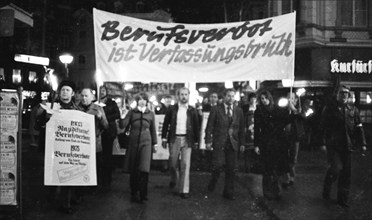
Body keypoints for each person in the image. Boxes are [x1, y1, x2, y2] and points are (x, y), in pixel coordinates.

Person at [35, 80, 82, 213]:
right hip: (51, 147)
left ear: (72, 93)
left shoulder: (77, 110)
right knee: (51, 174)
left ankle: (65, 204)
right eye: (62, 90)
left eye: (67, 90)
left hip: (68, 149)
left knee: (66, 176)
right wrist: (46, 117)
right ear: (59, 92)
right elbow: (37, 125)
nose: (64, 92)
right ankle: (50, 199)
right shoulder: (49, 107)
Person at [320, 85, 367, 207]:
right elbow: (323, 127)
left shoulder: (353, 110)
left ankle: (342, 199)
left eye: (346, 93)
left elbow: (359, 128)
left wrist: (363, 143)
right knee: (336, 169)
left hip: (347, 145)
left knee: (346, 174)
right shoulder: (329, 109)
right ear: (337, 95)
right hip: (333, 145)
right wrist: (323, 143)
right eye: (342, 93)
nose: (344, 95)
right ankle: (327, 186)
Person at [254, 90, 296, 200]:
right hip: (266, 142)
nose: (264, 100)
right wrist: (256, 144)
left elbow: (288, 119)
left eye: (265, 98)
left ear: (270, 98)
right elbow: (256, 129)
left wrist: (293, 110)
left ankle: (276, 190)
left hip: (278, 142)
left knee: (277, 168)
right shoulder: (259, 111)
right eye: (262, 99)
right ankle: (267, 192)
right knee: (268, 168)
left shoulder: (277, 109)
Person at [205, 88, 246, 200]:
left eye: (233, 96)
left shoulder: (239, 111)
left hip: (232, 144)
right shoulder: (216, 109)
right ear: (224, 97)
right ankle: (213, 181)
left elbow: (242, 129)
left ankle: (228, 192)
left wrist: (242, 143)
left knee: (231, 169)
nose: (231, 98)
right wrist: (208, 141)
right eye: (228, 96)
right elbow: (209, 127)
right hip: (219, 143)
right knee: (217, 166)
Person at [161, 87, 200, 199]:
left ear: (188, 96)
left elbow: (196, 127)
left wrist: (196, 141)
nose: (183, 96)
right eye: (181, 94)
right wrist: (164, 138)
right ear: (178, 96)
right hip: (174, 138)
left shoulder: (192, 110)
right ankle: (174, 179)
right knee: (173, 164)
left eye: (185, 94)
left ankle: (184, 190)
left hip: (187, 139)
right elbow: (165, 124)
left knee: (185, 164)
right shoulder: (172, 109)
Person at [119, 92, 158, 203]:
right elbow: (123, 125)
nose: (142, 101)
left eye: (144, 99)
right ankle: (134, 191)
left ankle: (143, 193)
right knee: (134, 167)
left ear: (146, 101)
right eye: (140, 99)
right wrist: (123, 116)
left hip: (146, 143)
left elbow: (153, 130)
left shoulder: (150, 114)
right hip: (133, 142)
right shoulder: (132, 112)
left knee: (144, 169)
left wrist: (155, 143)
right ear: (137, 101)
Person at [79, 88, 109, 187]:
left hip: (95, 144)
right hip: (81, 144)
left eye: (86, 96)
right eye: (82, 95)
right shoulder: (76, 108)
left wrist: (100, 119)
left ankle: (94, 187)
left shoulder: (98, 109)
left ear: (92, 97)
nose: (84, 98)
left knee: (95, 166)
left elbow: (106, 126)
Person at [99, 85, 121, 189]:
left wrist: (105, 118)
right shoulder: (96, 103)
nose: (102, 92)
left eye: (103, 90)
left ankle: (107, 180)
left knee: (107, 156)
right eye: (100, 90)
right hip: (98, 132)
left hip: (108, 132)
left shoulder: (111, 103)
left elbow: (117, 115)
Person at [284, 93, 305, 187]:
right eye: (288, 98)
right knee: (285, 157)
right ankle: (286, 177)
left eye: (292, 98)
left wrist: (294, 110)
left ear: (296, 100)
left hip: (295, 137)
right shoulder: (283, 109)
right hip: (284, 137)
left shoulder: (300, 109)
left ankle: (292, 176)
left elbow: (304, 118)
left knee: (293, 158)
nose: (290, 100)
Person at [243, 93, 257, 173]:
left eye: (254, 98)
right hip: (248, 133)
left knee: (255, 151)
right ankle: (247, 168)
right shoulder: (245, 108)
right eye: (251, 98)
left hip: (257, 132)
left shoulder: (259, 108)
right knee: (247, 151)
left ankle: (254, 167)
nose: (253, 100)